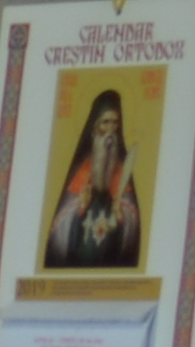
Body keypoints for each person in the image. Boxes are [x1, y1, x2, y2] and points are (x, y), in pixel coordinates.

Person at [42, 84, 146, 271]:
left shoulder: (121, 169)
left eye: (115, 123)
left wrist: (121, 214)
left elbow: (132, 218)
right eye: (105, 122)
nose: (110, 130)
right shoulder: (82, 167)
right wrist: (80, 207)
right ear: (95, 125)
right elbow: (60, 225)